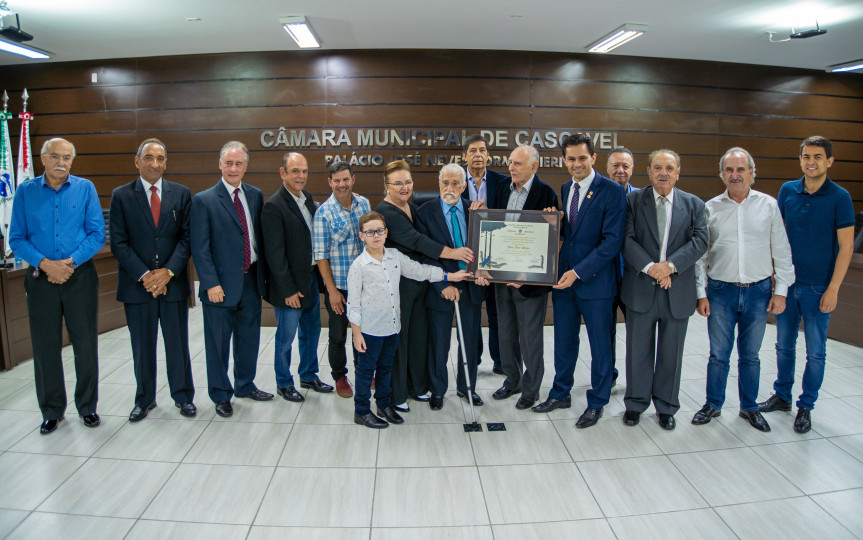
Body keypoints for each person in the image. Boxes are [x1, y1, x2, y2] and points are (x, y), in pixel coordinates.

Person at [692, 147, 794, 432]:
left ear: (751, 172)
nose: (735, 175)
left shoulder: (769, 206)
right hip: (720, 292)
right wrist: (701, 293)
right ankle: (713, 404)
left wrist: (781, 290)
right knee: (718, 355)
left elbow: (782, 252)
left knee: (750, 356)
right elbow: (702, 257)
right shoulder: (709, 208)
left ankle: (749, 407)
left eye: (740, 170)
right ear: (722, 174)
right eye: (729, 170)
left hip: (759, 292)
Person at [9, 137, 105, 434]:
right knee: (45, 347)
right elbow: (16, 238)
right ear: (43, 158)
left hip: (80, 279)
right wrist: (46, 264)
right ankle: (52, 410)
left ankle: (87, 407)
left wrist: (69, 264)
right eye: (55, 156)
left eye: (66, 157)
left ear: (72, 161)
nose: (61, 162)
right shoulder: (25, 192)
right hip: (41, 280)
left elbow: (97, 233)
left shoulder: (85, 188)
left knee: (85, 344)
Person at [759, 136, 855, 434]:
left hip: (818, 289)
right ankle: (783, 396)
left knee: (816, 352)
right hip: (788, 285)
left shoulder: (840, 197)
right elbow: (778, 236)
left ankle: (806, 405)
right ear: (800, 159)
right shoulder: (787, 191)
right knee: (784, 346)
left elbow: (847, 247)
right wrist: (776, 279)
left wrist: (834, 289)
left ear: (829, 161)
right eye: (805, 156)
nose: (811, 162)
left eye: (817, 156)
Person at [533, 134, 626, 429]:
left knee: (600, 346)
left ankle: (597, 401)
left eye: (582, 158)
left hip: (595, 282)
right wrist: (554, 222)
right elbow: (572, 234)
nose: (577, 164)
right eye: (571, 159)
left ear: (594, 158)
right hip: (564, 280)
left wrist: (578, 273)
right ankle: (560, 392)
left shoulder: (611, 191)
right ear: (564, 160)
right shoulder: (565, 187)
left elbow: (611, 243)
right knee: (563, 340)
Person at [347, 211, 469, 428]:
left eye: (380, 231)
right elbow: (353, 303)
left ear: (386, 233)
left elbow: (420, 271)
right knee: (366, 372)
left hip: (393, 327)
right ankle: (362, 411)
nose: (376, 235)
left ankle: (384, 405)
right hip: (369, 330)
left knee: (386, 369)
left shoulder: (395, 256)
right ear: (362, 236)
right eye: (370, 232)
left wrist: (449, 277)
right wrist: (356, 333)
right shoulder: (359, 266)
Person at [376, 160, 473, 412]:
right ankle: (397, 394)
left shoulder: (411, 206)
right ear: (387, 186)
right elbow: (417, 241)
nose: (404, 187)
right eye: (398, 183)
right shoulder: (386, 212)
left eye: (408, 182)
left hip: (419, 283)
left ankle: (417, 387)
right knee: (399, 340)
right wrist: (452, 254)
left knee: (418, 338)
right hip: (399, 286)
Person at [621, 149, 707, 430]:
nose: (663, 173)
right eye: (657, 167)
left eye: (669, 168)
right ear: (648, 171)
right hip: (641, 287)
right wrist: (651, 268)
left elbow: (700, 241)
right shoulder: (633, 200)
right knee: (638, 351)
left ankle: (666, 407)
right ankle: (635, 404)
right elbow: (627, 239)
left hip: (676, 291)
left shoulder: (694, 204)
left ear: (678, 172)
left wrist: (669, 266)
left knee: (672, 353)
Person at [110, 138, 196, 422]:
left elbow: (186, 239)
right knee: (142, 347)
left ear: (166, 162)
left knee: (178, 344)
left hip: (172, 284)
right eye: (149, 157)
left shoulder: (181, 194)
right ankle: (144, 400)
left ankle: (183, 397)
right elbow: (119, 243)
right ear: (137, 161)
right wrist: (147, 276)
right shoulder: (121, 196)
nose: (155, 163)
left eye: (160, 158)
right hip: (138, 286)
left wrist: (168, 272)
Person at [191, 141, 273, 418]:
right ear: (220, 164)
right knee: (218, 344)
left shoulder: (254, 195)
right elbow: (199, 248)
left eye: (238, 164)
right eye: (229, 163)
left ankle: (244, 385)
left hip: (250, 280)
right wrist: (210, 283)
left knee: (249, 338)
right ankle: (221, 394)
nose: (233, 168)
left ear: (246, 167)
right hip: (220, 286)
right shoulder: (204, 200)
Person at [489, 146, 558, 410]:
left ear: (534, 166)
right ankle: (512, 380)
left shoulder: (546, 193)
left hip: (529, 281)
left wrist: (526, 274)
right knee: (506, 333)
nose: (511, 168)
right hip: (502, 275)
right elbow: (492, 225)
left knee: (530, 338)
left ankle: (530, 390)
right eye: (510, 163)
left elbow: (550, 240)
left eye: (518, 163)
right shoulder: (502, 188)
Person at [262, 152, 333, 405]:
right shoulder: (273, 206)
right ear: (283, 173)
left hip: (311, 279)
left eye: (303, 171)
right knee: (286, 337)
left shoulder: (307, 198)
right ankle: (283, 382)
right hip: (290, 287)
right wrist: (288, 290)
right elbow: (275, 256)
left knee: (312, 331)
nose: (300, 176)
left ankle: (308, 375)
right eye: (295, 171)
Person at [416, 163, 488, 411]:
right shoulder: (425, 213)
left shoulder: (475, 211)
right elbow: (424, 254)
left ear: (464, 185)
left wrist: (484, 272)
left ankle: (468, 388)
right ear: (439, 184)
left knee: (469, 341)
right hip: (442, 288)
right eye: (445, 182)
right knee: (439, 342)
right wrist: (442, 282)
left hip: (471, 287)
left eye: (456, 183)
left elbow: (485, 249)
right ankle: (437, 390)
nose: (450, 187)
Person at [313, 160, 371, 398]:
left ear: (353, 179)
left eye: (345, 179)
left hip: (364, 285)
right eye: (336, 180)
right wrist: (332, 291)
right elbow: (321, 256)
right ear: (330, 182)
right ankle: (340, 376)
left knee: (364, 331)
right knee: (338, 336)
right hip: (339, 287)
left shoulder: (364, 204)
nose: (341, 184)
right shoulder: (323, 213)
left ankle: (364, 372)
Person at [462, 134, 507, 374]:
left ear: (488, 155)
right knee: (472, 312)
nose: (478, 154)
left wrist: (490, 213)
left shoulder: (502, 182)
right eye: (472, 151)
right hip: (468, 255)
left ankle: (500, 362)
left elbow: (511, 215)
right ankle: (474, 359)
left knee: (497, 311)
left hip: (497, 255)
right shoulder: (455, 181)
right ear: (464, 156)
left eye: (482, 150)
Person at [607, 147, 638, 381]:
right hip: (605, 277)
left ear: (632, 169)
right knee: (605, 334)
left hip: (634, 279)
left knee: (637, 334)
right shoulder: (599, 195)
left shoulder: (642, 199)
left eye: (625, 166)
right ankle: (608, 376)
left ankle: (636, 382)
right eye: (615, 165)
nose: (620, 170)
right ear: (606, 168)